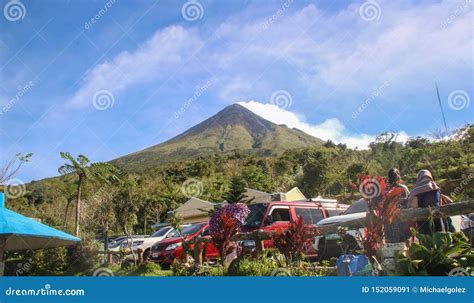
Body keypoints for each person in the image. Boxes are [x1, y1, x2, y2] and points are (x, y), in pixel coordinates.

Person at [408, 169, 450, 234]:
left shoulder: (416, 190)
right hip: (438, 220)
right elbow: (440, 204)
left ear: (419, 178)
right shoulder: (436, 188)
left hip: (423, 222)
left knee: (427, 241)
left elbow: (414, 206)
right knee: (440, 239)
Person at [384, 168, 410, 243]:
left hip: (388, 219)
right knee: (402, 243)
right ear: (398, 177)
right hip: (402, 218)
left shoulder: (386, 190)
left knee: (391, 243)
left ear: (388, 178)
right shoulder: (404, 188)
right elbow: (409, 201)